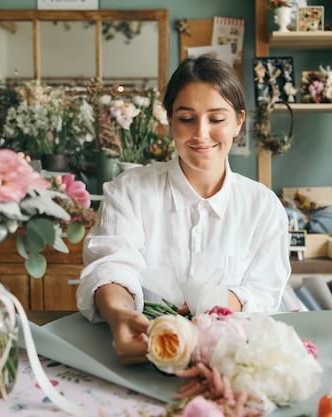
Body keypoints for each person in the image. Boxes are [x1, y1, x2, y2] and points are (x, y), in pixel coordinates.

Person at [76, 55, 291, 364]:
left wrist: (216, 305)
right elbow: (111, 266)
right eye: (187, 118)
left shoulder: (263, 207)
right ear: (170, 119)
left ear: (238, 122)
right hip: (142, 353)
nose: (201, 134)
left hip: (226, 359)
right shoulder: (130, 191)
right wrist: (121, 315)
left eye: (216, 119)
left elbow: (264, 291)